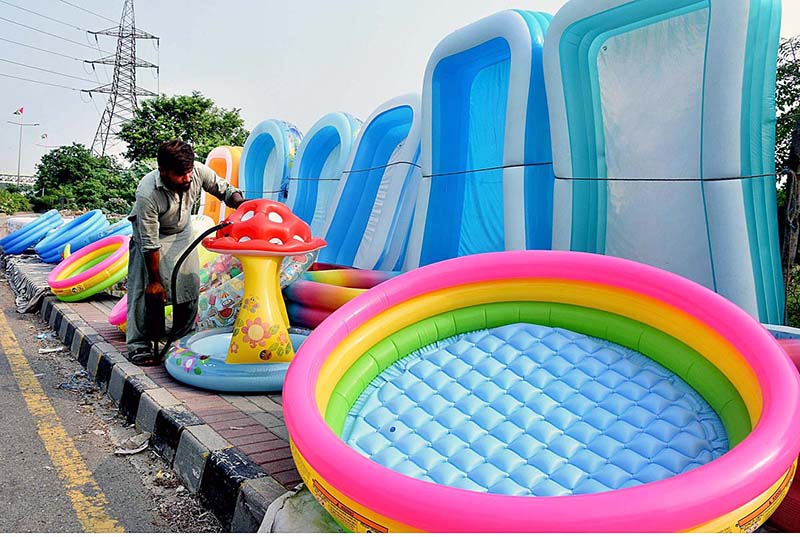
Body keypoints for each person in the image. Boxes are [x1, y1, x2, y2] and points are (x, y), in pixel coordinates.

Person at [126, 140, 245, 365]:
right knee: (145, 292)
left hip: (182, 232)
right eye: (181, 174)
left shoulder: (196, 171)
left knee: (188, 288)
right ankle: (139, 344)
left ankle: (180, 339)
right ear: (163, 171)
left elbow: (225, 190)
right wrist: (155, 281)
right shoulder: (147, 193)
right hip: (151, 237)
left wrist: (242, 204)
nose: (187, 179)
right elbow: (150, 243)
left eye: (189, 172)